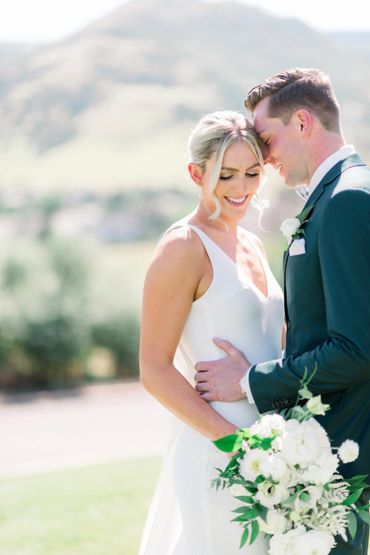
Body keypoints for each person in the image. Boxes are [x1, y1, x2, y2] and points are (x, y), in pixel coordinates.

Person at [194, 68, 370, 554]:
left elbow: (356, 349)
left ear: (302, 122)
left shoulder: (346, 200)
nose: (263, 156)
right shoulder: (335, 196)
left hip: (341, 453)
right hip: (316, 451)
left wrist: (251, 380)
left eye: (266, 139)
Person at [139, 111, 284, 554]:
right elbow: (154, 369)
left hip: (275, 449)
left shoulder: (254, 244)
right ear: (195, 173)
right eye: (226, 175)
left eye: (252, 173)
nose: (241, 188)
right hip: (217, 452)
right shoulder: (183, 247)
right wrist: (235, 445)